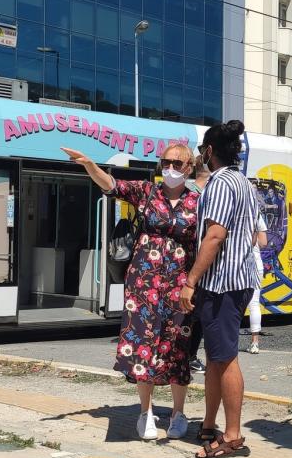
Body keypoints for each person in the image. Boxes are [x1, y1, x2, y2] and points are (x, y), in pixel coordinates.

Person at [63, 142, 200, 440]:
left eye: (178, 164)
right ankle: (145, 413)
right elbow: (112, 185)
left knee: (178, 348)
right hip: (143, 284)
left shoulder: (198, 202)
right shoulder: (147, 192)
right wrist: (89, 165)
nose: (171, 169)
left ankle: (178, 413)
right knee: (143, 348)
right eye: (166, 163)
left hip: (180, 286)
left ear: (188, 168)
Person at [179, 120, 259, 458]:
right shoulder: (244, 183)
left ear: (210, 151)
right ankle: (210, 424)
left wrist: (191, 280)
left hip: (222, 284)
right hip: (237, 279)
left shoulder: (220, 184)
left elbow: (214, 236)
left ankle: (232, 435)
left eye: (201, 151)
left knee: (225, 359)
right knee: (215, 357)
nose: (199, 157)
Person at [185, 155, 212, 374]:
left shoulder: (185, 191)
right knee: (196, 315)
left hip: (182, 262)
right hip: (195, 265)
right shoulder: (200, 197)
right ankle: (189, 356)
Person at [246, 200, 269, 354]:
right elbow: (264, 243)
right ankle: (255, 343)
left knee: (235, 304)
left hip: (239, 264)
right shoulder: (256, 216)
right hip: (256, 264)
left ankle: (229, 342)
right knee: (254, 304)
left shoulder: (233, 213)